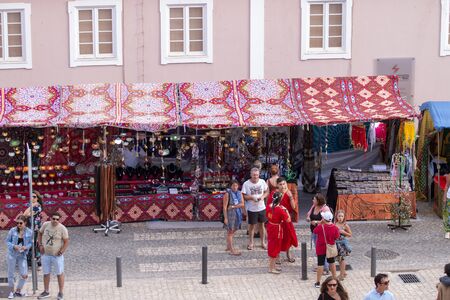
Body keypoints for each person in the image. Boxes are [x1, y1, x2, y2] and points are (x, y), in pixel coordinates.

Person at [37, 212, 69, 300]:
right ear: (50, 218)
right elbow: (39, 233)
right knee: (46, 273)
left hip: (56, 256)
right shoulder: (45, 225)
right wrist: (40, 245)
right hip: (46, 254)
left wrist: (62, 251)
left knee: (59, 273)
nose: (55, 220)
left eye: (57, 219)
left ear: (59, 220)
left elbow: (66, 241)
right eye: (53, 218)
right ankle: (46, 291)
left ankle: (61, 292)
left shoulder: (63, 229)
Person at [267, 177, 298, 262]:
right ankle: (277, 256)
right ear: (277, 185)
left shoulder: (289, 193)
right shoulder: (274, 194)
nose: (283, 186)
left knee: (288, 238)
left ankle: (288, 254)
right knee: (278, 239)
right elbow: (270, 207)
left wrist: (290, 196)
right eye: (280, 184)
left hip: (287, 220)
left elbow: (293, 207)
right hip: (277, 222)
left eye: (284, 184)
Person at [5, 215, 33, 299]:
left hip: (22, 255)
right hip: (12, 254)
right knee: (10, 273)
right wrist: (14, 246)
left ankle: (18, 290)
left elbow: (31, 243)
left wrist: (26, 247)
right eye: (17, 223)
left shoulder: (29, 232)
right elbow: (7, 241)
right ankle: (11, 291)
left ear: (25, 223)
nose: (19, 225)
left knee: (24, 274)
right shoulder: (12, 231)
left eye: (21, 223)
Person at [242, 167, 269, 250]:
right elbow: (243, 196)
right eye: (254, 175)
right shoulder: (246, 184)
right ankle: (251, 242)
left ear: (259, 175)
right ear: (251, 175)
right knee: (252, 226)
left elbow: (267, 191)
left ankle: (263, 242)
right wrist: (251, 197)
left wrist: (263, 197)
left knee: (262, 225)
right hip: (251, 208)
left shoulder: (262, 182)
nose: (255, 176)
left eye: (257, 175)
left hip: (261, 207)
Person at [313, 211, 339, 288]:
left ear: (324, 219)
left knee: (320, 264)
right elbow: (336, 237)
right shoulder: (335, 227)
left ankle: (318, 282)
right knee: (332, 263)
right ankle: (335, 280)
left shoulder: (321, 227)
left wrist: (320, 223)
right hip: (330, 248)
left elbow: (314, 231)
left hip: (321, 248)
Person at [266, 192, 290, 274]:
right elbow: (288, 220)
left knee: (271, 245)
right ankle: (271, 268)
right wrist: (286, 211)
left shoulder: (269, 206)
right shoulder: (280, 209)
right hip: (276, 229)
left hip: (270, 226)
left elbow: (267, 215)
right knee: (275, 247)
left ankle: (273, 266)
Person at [306, 193, 331, 273]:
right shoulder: (314, 206)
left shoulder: (325, 209)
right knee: (318, 250)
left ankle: (325, 268)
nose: (313, 200)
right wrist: (308, 218)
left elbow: (327, 221)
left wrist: (316, 222)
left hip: (322, 233)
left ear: (318, 200)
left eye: (314, 199)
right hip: (314, 231)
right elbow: (309, 214)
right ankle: (321, 266)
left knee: (322, 250)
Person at [223, 180, 245, 256]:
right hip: (230, 215)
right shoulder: (227, 194)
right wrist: (225, 218)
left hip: (237, 213)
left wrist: (233, 206)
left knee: (233, 230)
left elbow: (242, 204)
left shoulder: (240, 193)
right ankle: (232, 250)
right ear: (231, 186)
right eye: (233, 186)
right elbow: (225, 207)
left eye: (236, 185)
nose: (235, 187)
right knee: (230, 232)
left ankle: (228, 246)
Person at [23, 191, 43, 267]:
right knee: (29, 243)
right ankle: (29, 261)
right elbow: (25, 214)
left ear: (37, 198)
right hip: (29, 227)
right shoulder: (31, 205)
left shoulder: (38, 206)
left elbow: (27, 214)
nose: (32, 198)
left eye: (34, 196)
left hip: (36, 228)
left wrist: (32, 206)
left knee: (35, 244)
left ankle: (38, 262)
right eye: (31, 196)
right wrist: (31, 206)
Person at [335, 210, 352, 281]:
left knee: (342, 259)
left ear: (344, 217)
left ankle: (341, 275)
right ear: (336, 216)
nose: (340, 217)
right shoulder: (335, 224)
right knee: (339, 259)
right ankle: (344, 272)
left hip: (342, 244)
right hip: (336, 243)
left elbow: (350, 234)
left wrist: (343, 232)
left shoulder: (345, 225)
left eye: (342, 216)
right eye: (339, 216)